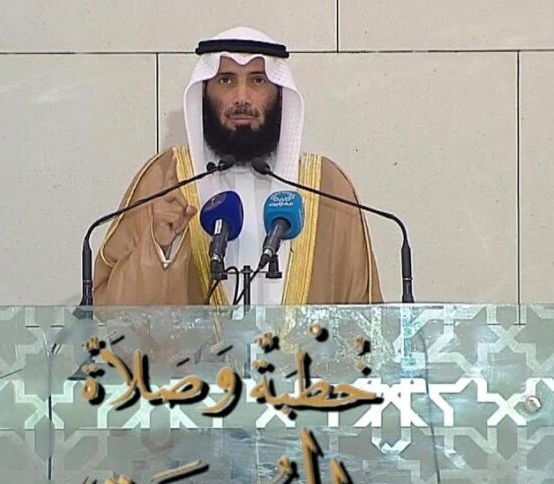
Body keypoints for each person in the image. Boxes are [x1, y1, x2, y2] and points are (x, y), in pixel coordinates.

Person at [93, 26, 383, 306]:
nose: (242, 98)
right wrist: (158, 247)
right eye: (226, 80)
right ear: (204, 92)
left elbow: (366, 317)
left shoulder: (327, 187)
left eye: (257, 81)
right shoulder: (167, 178)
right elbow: (108, 311)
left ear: (280, 93)